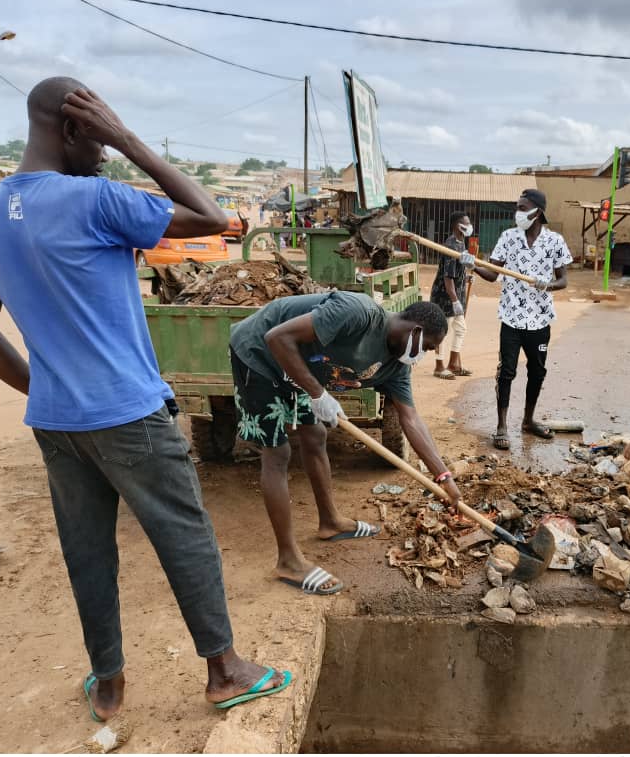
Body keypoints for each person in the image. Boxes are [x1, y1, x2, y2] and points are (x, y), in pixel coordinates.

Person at [0, 77, 290, 722]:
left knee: (88, 550)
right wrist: (132, 140)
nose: (105, 152)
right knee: (184, 535)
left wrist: (46, 386)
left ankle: (107, 683)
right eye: (101, 135)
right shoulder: (95, 200)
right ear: (76, 129)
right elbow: (214, 219)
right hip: (129, 414)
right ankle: (225, 671)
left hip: (55, 422)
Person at [228, 294, 462, 594]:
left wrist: (445, 478)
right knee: (278, 453)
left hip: (296, 369)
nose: (425, 355)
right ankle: (288, 560)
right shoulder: (358, 313)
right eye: (427, 347)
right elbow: (277, 336)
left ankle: (331, 522)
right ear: (415, 331)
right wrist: (317, 393)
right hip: (258, 353)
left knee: (316, 436)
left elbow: (411, 420)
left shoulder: (396, 368)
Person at [471, 189, 570, 450]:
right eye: (517, 207)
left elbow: (564, 280)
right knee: (507, 371)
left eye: (522, 207)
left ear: (538, 211)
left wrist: (547, 284)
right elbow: (493, 274)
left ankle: (528, 420)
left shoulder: (555, 241)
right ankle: (502, 425)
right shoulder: (508, 238)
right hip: (512, 318)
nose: (518, 212)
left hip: (540, 321)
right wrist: (472, 265)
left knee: (538, 370)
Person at [430, 211, 475, 380]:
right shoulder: (450, 246)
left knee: (461, 328)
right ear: (458, 225)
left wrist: (467, 276)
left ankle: (454, 364)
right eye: (467, 223)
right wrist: (455, 301)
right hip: (445, 297)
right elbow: (447, 278)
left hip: (457, 296)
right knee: (443, 330)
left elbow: (457, 271)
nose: (470, 226)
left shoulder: (461, 243)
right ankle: (439, 366)